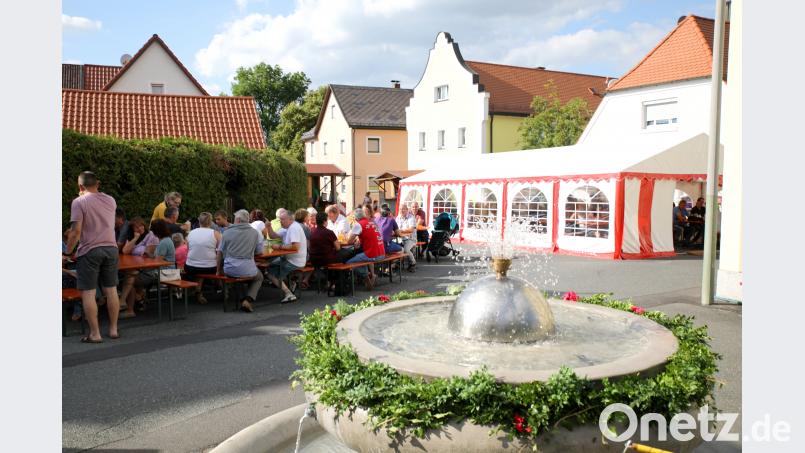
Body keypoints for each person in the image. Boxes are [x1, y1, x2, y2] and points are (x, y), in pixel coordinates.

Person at [64, 171, 121, 343]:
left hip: (90, 251)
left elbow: (75, 232)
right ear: (98, 183)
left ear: (80, 186)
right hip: (111, 248)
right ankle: (113, 330)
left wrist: (67, 253)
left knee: (88, 293)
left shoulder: (79, 202)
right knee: (111, 290)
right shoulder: (111, 200)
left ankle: (95, 334)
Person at [119, 219, 174, 319]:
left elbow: (158, 262)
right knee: (131, 276)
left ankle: (131, 306)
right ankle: (136, 301)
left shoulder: (163, 242)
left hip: (167, 272)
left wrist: (148, 259)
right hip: (164, 270)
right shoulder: (165, 240)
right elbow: (157, 260)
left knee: (130, 280)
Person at [217, 209, 264, 312]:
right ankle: (248, 299)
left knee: (235, 275)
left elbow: (220, 252)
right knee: (259, 277)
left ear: (238, 220)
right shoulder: (255, 233)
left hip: (230, 269)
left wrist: (217, 270)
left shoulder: (227, 232)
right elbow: (259, 251)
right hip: (248, 269)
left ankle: (243, 299)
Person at [265, 209, 307, 304]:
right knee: (269, 264)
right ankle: (291, 284)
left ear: (290, 219)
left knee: (270, 273)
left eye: (282, 220)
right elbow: (273, 236)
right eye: (279, 220)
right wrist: (268, 227)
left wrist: (279, 246)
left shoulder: (294, 228)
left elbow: (295, 247)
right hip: (290, 258)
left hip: (295, 261)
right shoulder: (287, 228)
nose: (280, 222)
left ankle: (289, 294)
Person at [185, 212, 222, 305]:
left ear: (199, 221)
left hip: (190, 267)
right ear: (211, 222)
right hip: (209, 268)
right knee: (222, 264)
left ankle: (199, 290)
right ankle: (219, 286)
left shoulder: (191, 233)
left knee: (200, 269)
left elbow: (188, 249)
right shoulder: (216, 234)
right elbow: (220, 253)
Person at [346, 207, 385, 290]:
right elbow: (369, 237)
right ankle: (368, 276)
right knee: (360, 259)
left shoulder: (358, 224)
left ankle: (366, 276)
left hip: (372, 254)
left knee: (349, 263)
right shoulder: (371, 223)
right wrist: (358, 241)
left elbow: (349, 241)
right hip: (381, 252)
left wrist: (354, 240)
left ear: (355, 218)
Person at [395, 203, 417, 272]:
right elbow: (395, 228)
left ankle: (413, 263)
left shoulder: (411, 217)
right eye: (400, 209)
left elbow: (411, 229)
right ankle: (397, 264)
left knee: (406, 249)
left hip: (410, 239)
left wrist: (400, 231)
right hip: (400, 238)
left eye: (403, 209)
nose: (402, 211)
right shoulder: (398, 217)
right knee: (395, 248)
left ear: (407, 210)